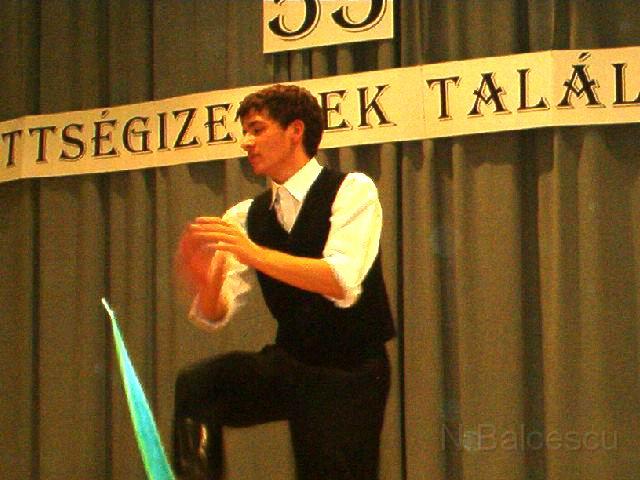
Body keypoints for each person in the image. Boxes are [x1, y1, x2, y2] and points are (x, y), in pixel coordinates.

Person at [172, 83, 395, 480]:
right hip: (292, 361)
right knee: (200, 386)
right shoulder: (245, 216)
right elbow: (215, 314)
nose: (246, 142)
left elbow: (340, 281)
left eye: (257, 129)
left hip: (350, 372)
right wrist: (206, 282)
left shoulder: (352, 190)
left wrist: (253, 253)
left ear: (295, 131)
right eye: (245, 132)